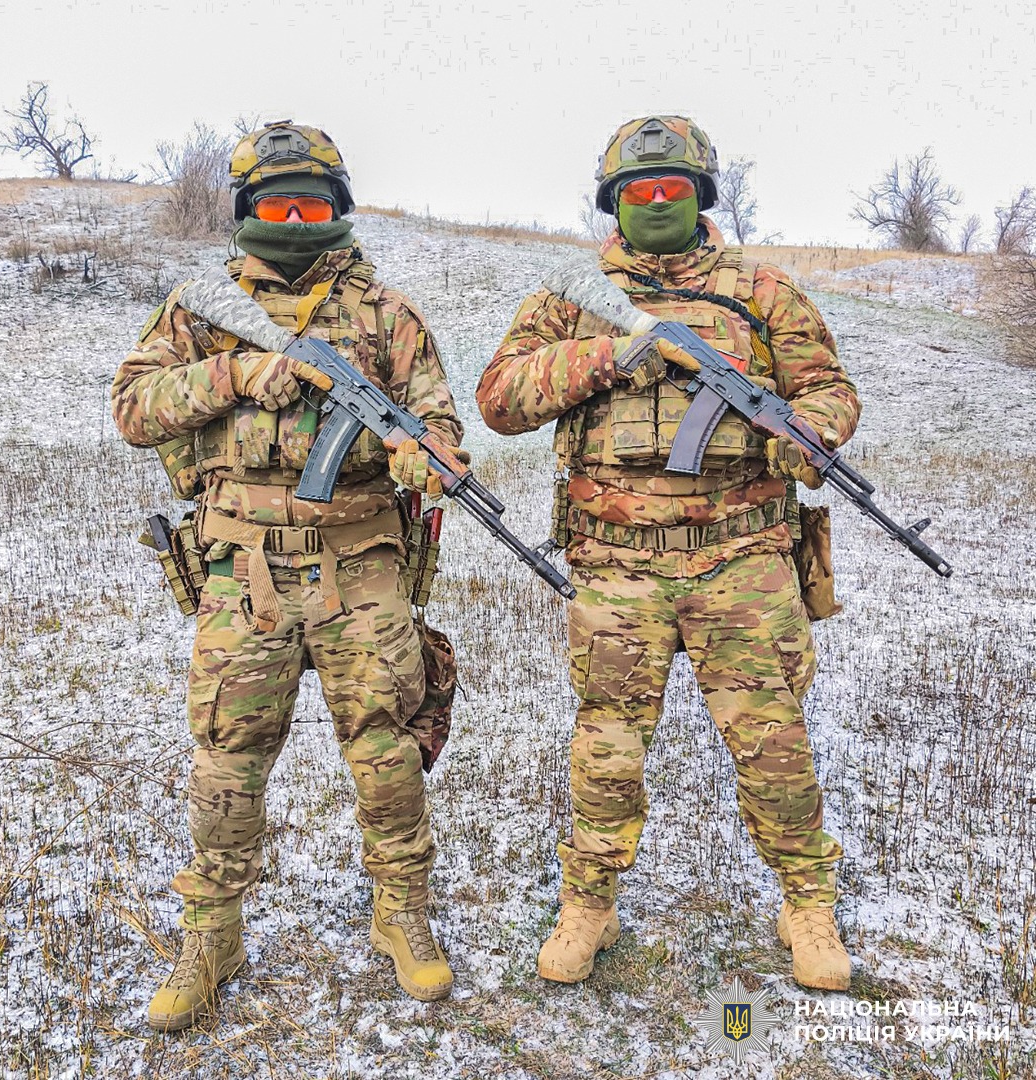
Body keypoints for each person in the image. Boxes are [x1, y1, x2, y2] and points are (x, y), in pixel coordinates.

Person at [475, 115, 861, 992]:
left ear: (701, 195)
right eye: (639, 190)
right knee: (606, 748)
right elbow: (499, 399)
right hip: (616, 566)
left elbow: (829, 389)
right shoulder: (571, 297)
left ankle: (807, 903)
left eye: (671, 188)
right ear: (614, 202)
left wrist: (809, 431)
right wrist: (611, 356)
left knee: (774, 744)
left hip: (742, 559)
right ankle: (590, 904)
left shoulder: (765, 293)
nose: (655, 202)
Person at [113, 120, 464, 1031]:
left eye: (311, 206)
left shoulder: (387, 317)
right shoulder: (200, 310)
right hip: (242, 571)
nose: (296, 222)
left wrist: (428, 456)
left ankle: (402, 912)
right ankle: (212, 936)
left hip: (363, 564)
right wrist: (237, 373)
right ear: (248, 212)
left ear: (337, 208)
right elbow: (134, 408)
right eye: (277, 207)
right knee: (226, 758)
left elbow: (439, 422)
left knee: (387, 748)